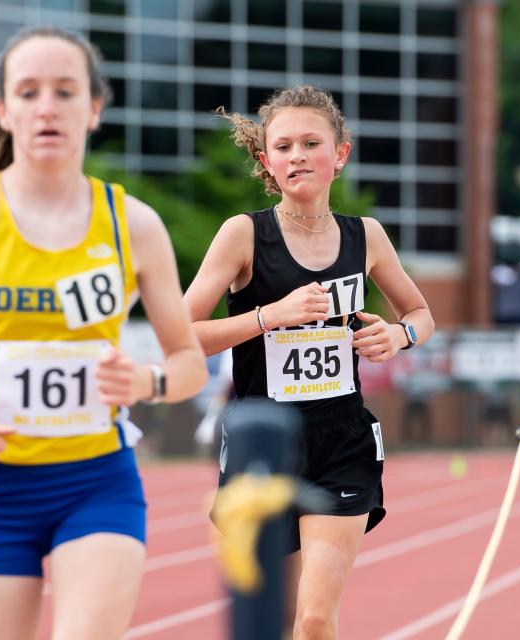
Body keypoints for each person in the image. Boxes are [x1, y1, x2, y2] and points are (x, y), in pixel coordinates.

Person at [0, 28, 208, 640]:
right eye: (28, 93)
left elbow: (189, 361)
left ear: (94, 108)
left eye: (65, 91)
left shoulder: (133, 224)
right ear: (4, 110)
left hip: (97, 482)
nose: (47, 107)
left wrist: (145, 380)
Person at [184, 85, 434, 640]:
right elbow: (181, 334)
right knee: (270, 623)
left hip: (342, 438)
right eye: (284, 146)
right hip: (263, 441)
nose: (297, 155)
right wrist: (268, 316)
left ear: (340, 154)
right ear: (266, 161)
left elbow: (420, 313)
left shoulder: (364, 236)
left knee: (316, 619)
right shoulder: (243, 234)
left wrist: (400, 335)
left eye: (311, 143)